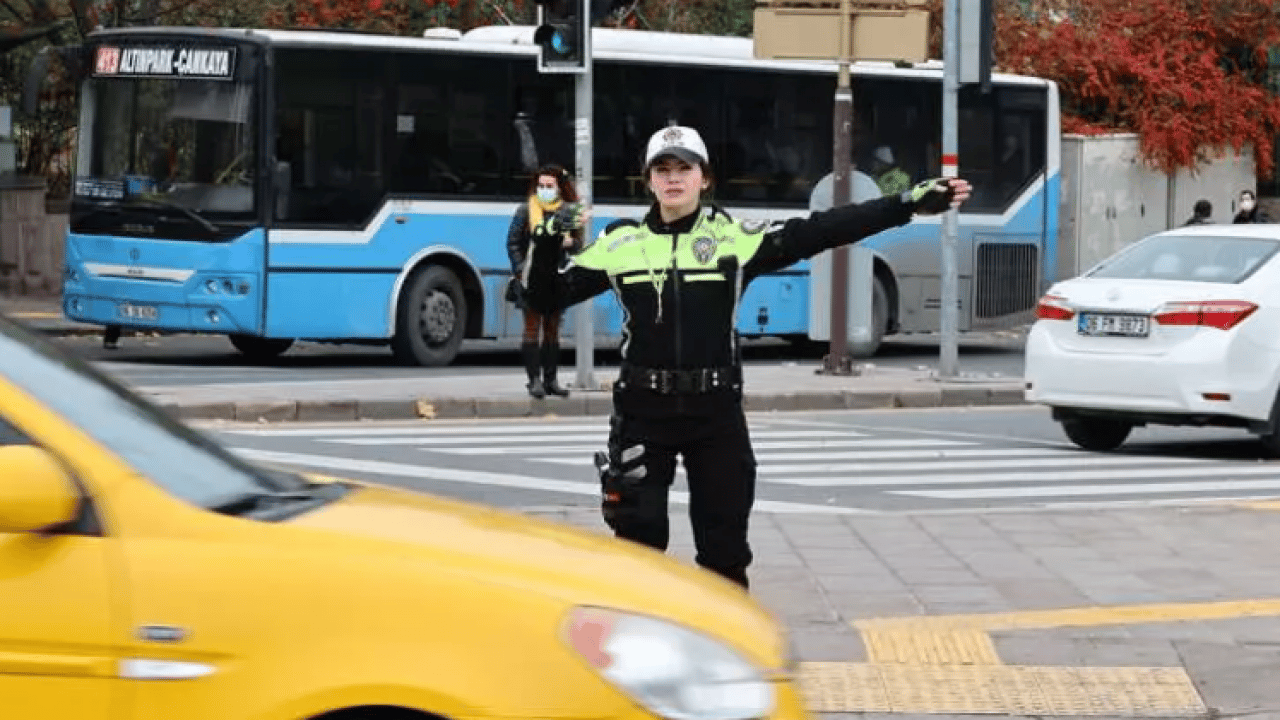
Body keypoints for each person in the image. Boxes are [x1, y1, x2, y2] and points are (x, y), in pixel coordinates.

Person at [523, 125, 970, 590]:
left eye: (684, 168)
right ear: (648, 181)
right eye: (662, 169)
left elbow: (822, 229)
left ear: (704, 178)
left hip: (715, 415)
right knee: (638, 550)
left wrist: (906, 205)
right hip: (642, 413)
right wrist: (548, 237)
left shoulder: (734, 240)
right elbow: (541, 297)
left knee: (724, 554)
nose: (673, 179)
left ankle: (721, 648)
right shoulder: (620, 245)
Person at [506, 164, 583, 398]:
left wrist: (569, 245)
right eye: (541, 185)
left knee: (552, 331)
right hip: (531, 278)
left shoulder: (568, 211)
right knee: (532, 329)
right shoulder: (525, 210)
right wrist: (520, 270)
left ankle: (551, 380)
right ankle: (534, 381)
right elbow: (513, 242)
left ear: (559, 188)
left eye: (549, 186)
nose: (544, 189)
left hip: (556, 278)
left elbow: (579, 243)